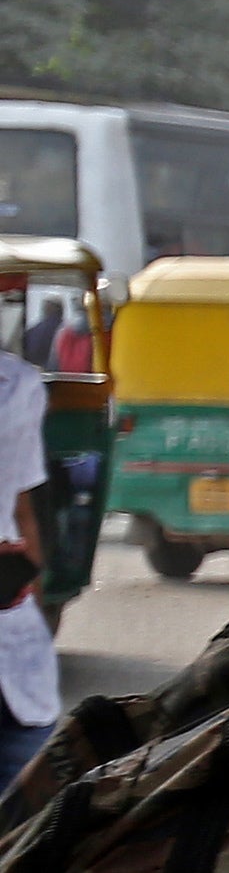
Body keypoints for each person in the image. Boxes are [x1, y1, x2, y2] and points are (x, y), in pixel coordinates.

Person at [0, 338, 57, 794]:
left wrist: (29, 581)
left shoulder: (18, 385)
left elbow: (22, 503)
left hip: (14, 654)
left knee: (30, 822)